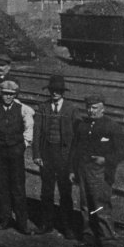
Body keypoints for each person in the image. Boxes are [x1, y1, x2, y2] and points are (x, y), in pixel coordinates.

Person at [70, 94, 124, 247]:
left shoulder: (112, 126)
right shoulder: (82, 126)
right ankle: (88, 236)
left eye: (95, 107)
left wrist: (106, 159)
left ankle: (107, 241)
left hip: (101, 173)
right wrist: (72, 170)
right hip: (82, 170)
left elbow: (123, 151)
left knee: (101, 206)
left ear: (103, 108)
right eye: (89, 107)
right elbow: (74, 150)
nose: (91, 110)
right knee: (85, 205)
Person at [0, 79, 35, 234]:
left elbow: (29, 129)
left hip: (15, 153)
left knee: (18, 188)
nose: (7, 97)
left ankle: (22, 223)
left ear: (15, 95)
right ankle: (5, 219)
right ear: (1, 94)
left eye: (11, 95)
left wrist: (23, 145)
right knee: (3, 187)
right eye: (5, 94)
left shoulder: (23, 109)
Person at [32, 75, 80, 238]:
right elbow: (36, 132)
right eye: (53, 90)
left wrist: (73, 160)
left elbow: (77, 136)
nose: (55, 93)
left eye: (58, 90)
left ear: (63, 92)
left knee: (65, 192)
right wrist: (37, 154)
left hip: (64, 156)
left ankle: (67, 227)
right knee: (46, 191)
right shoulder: (42, 107)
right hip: (47, 154)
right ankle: (46, 224)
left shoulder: (71, 109)